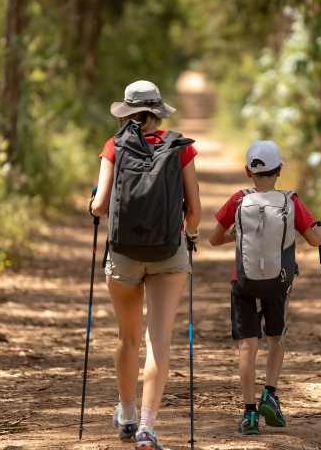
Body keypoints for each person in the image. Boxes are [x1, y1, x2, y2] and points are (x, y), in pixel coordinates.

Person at [88, 80, 201, 450]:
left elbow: (101, 205)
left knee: (128, 338)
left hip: (123, 252)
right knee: (159, 339)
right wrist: (192, 236)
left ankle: (127, 415)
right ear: (158, 111)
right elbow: (195, 210)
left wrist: (93, 202)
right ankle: (148, 430)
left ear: (127, 111)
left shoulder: (114, 145)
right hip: (169, 252)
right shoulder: (179, 146)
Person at [208, 140, 321, 435]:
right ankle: (270, 394)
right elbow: (314, 239)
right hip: (278, 283)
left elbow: (213, 239)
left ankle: (249, 414)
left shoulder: (238, 200)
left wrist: (236, 235)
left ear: (248, 171)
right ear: (279, 171)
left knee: (247, 347)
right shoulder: (291, 201)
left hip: (243, 282)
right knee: (276, 338)